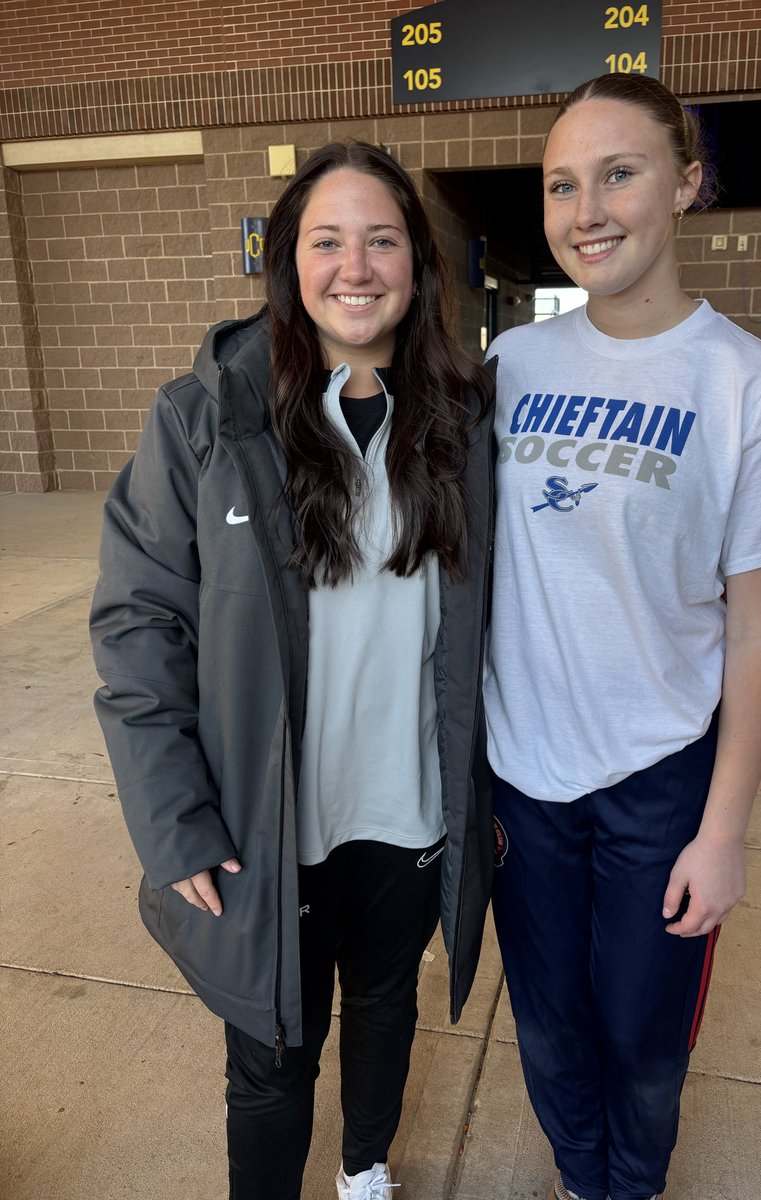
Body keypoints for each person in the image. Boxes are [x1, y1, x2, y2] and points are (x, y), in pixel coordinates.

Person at [90, 141, 495, 1200]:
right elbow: (139, 627)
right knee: (270, 1056)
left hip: (407, 810)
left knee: (384, 1009)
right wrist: (174, 820)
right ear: (287, 262)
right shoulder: (205, 420)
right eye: (327, 240)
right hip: (264, 823)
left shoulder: (463, 421)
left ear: (418, 263)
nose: (354, 267)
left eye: (381, 239)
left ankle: (366, 1170)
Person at [483, 74, 761, 1200]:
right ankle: (577, 1175)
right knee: (547, 1028)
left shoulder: (752, 390)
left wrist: (724, 830)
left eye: (619, 173)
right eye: (561, 184)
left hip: (660, 779)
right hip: (519, 777)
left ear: (687, 184)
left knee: (643, 1041)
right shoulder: (508, 369)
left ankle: (628, 1185)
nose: (585, 209)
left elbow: (759, 637)